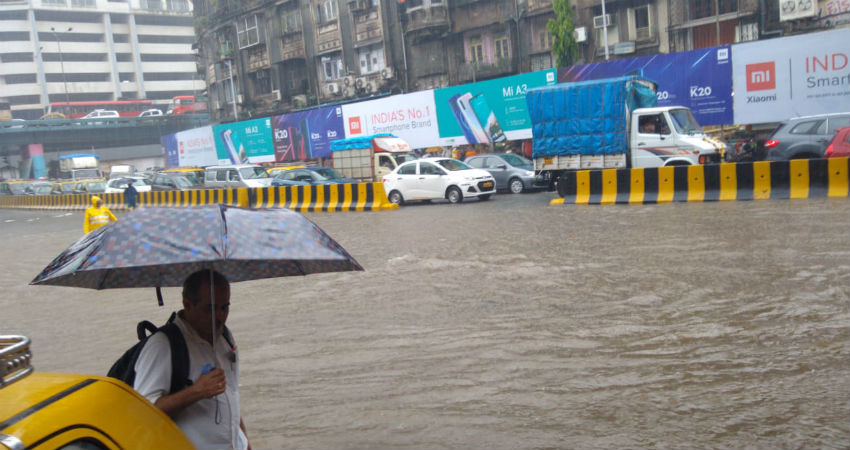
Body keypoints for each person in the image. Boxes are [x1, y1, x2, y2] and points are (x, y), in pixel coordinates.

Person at [134, 270, 250, 450]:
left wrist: (246, 443)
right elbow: (142, 413)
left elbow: (231, 396)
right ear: (187, 305)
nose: (220, 316)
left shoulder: (225, 337)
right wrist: (196, 392)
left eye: (224, 307)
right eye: (210, 308)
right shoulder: (163, 345)